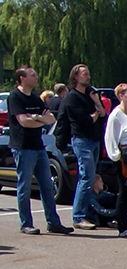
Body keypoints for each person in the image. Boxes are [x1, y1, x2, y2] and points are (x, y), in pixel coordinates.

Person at [7, 66, 72, 235]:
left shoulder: (36, 98)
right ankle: (26, 223)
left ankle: (53, 222)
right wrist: (38, 119)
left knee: (47, 185)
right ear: (22, 78)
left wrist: (37, 118)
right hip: (23, 147)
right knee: (25, 186)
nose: (36, 77)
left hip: (38, 146)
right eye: (32, 75)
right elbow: (23, 121)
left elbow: (51, 118)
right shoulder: (15, 97)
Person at [58, 63, 108, 228]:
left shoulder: (90, 95)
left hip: (94, 139)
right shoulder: (72, 97)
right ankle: (78, 216)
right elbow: (84, 121)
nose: (88, 76)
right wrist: (95, 114)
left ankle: (88, 213)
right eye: (84, 74)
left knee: (91, 177)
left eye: (88, 73)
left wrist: (97, 103)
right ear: (76, 77)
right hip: (82, 140)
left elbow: (102, 116)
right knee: (86, 177)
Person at [104, 81, 127, 237]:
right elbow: (110, 138)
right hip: (123, 157)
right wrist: (117, 157)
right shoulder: (116, 115)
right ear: (120, 96)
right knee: (124, 191)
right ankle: (122, 225)